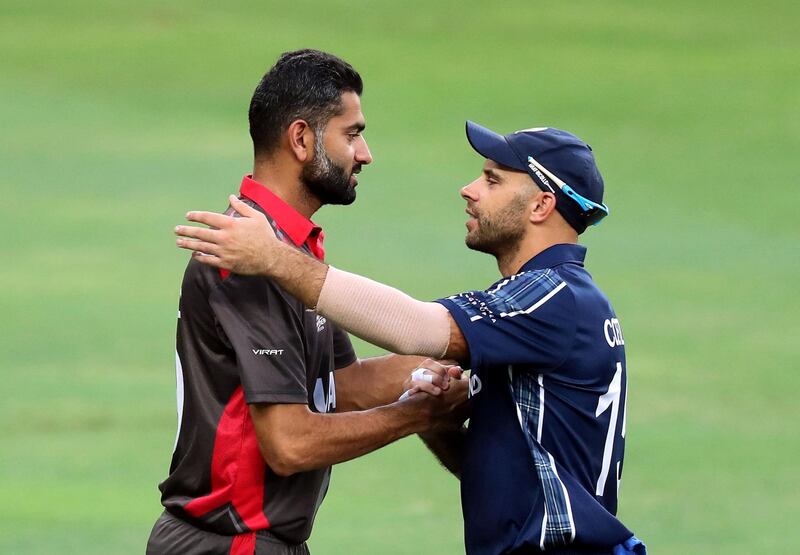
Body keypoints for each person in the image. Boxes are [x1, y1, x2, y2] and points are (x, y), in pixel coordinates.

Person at [175, 121, 648, 555]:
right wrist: (433, 417)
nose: (469, 190)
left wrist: (276, 258)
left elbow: (418, 328)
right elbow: (506, 474)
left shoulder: (551, 298)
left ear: (543, 204)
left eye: (493, 179)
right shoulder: (543, 301)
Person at [149, 49, 467, 555]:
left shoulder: (284, 252)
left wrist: (433, 368)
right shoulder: (250, 258)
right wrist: (416, 416)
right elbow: (290, 444)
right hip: (231, 544)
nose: (365, 154)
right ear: (301, 139)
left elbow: (337, 383)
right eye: (353, 134)